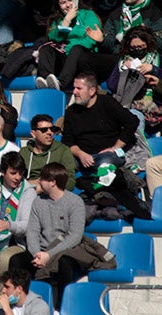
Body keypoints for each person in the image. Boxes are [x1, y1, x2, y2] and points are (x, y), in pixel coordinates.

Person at [63, 72, 151, 220]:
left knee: (106, 163)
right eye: (74, 88)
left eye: (79, 88)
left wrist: (116, 147)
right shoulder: (72, 111)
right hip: (82, 156)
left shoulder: (107, 103)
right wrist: (81, 154)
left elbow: (132, 122)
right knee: (62, 163)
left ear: (91, 91)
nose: (75, 92)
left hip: (107, 155)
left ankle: (95, 193)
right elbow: (68, 142)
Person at [11, 162, 87, 308]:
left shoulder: (75, 202)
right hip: (40, 252)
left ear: (52, 182)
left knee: (65, 264)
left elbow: (75, 236)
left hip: (64, 251)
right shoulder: (38, 202)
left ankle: (61, 307)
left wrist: (49, 255)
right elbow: (32, 232)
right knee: (17, 261)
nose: (38, 181)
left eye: (42, 179)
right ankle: (19, 303)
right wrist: (37, 254)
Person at [86, 0, 162, 82]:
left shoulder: (154, 14)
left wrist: (147, 37)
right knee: (85, 59)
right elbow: (110, 46)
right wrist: (102, 41)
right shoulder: (116, 14)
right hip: (120, 58)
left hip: (146, 59)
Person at [34, 0, 101, 91]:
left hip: (83, 58)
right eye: (63, 3)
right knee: (46, 49)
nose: (68, 5)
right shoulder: (57, 20)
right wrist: (67, 20)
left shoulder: (87, 14)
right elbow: (54, 38)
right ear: (58, 5)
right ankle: (46, 81)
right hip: (65, 59)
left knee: (76, 48)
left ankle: (61, 84)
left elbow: (91, 39)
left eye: (70, 0)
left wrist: (70, 47)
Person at [19, 114, 76, 191]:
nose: (50, 132)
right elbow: (14, 179)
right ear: (33, 133)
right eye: (44, 130)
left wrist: (43, 187)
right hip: (27, 192)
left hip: (52, 196)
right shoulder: (24, 153)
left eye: (52, 129)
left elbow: (70, 182)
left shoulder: (63, 151)